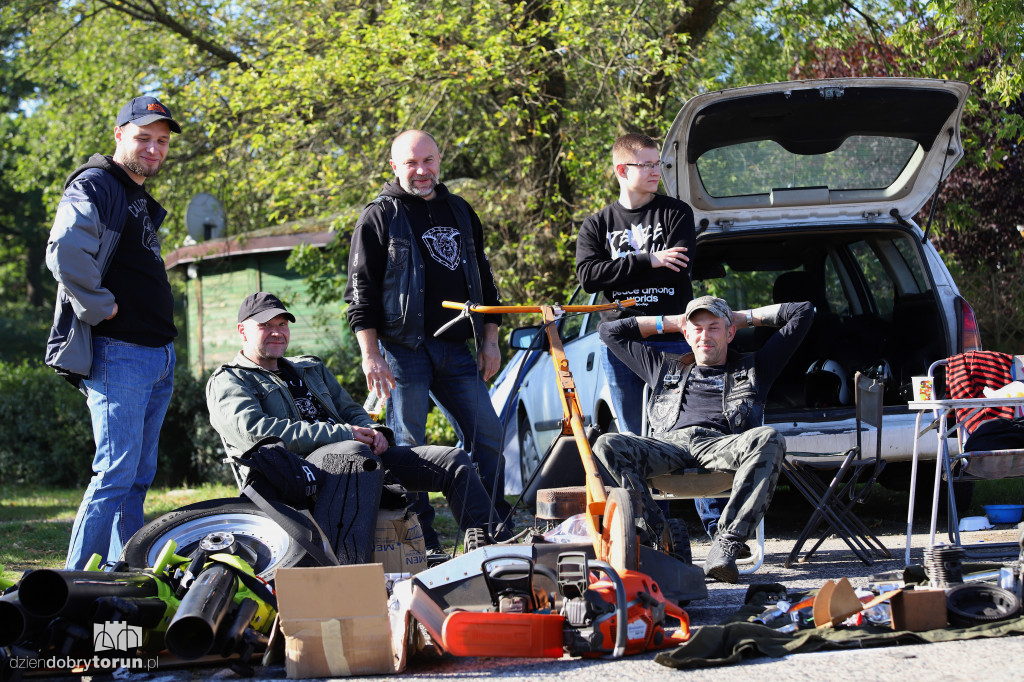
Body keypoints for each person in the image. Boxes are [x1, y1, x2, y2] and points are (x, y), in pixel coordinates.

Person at [206, 292, 507, 542]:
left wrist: (375, 432)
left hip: (358, 459)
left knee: (452, 461)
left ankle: (491, 546)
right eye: (265, 325)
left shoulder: (309, 368)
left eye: (282, 324)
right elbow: (255, 433)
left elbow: (350, 410)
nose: (277, 332)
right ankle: (358, 572)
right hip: (296, 477)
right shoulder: (229, 380)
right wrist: (344, 435)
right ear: (242, 331)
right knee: (353, 453)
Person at [344, 129, 512, 552]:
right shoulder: (379, 216)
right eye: (411, 163)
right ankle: (423, 542)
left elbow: (486, 283)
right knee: (409, 448)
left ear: (440, 160)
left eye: (429, 161)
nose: (422, 171)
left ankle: (491, 531)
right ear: (394, 167)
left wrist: (489, 341)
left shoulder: (459, 209)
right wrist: (371, 356)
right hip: (401, 351)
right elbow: (359, 294)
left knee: (489, 437)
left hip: (456, 348)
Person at [44, 96, 181, 570]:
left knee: (138, 477)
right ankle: (74, 583)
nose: (154, 148)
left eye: (161, 141)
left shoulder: (134, 194)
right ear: (119, 134)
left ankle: (126, 571)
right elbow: (64, 251)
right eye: (144, 137)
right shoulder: (98, 183)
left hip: (156, 353)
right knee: (115, 473)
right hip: (119, 352)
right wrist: (101, 308)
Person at [593, 295, 813, 583]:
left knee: (769, 438)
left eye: (714, 328)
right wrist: (675, 322)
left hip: (721, 444)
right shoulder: (663, 366)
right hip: (669, 444)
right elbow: (608, 330)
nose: (705, 336)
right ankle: (660, 536)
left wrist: (740, 317)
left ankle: (726, 544)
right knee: (606, 444)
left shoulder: (755, 366)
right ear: (686, 334)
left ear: (730, 332)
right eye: (697, 328)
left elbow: (802, 310)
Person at [574, 132, 726, 540]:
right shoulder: (598, 224)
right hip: (623, 343)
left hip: (675, 338)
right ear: (622, 170)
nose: (657, 171)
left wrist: (626, 266)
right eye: (648, 165)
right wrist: (648, 259)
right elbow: (588, 276)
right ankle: (647, 529)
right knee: (634, 434)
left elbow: (678, 265)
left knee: (692, 429)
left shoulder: (676, 213)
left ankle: (717, 527)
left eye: (659, 164)